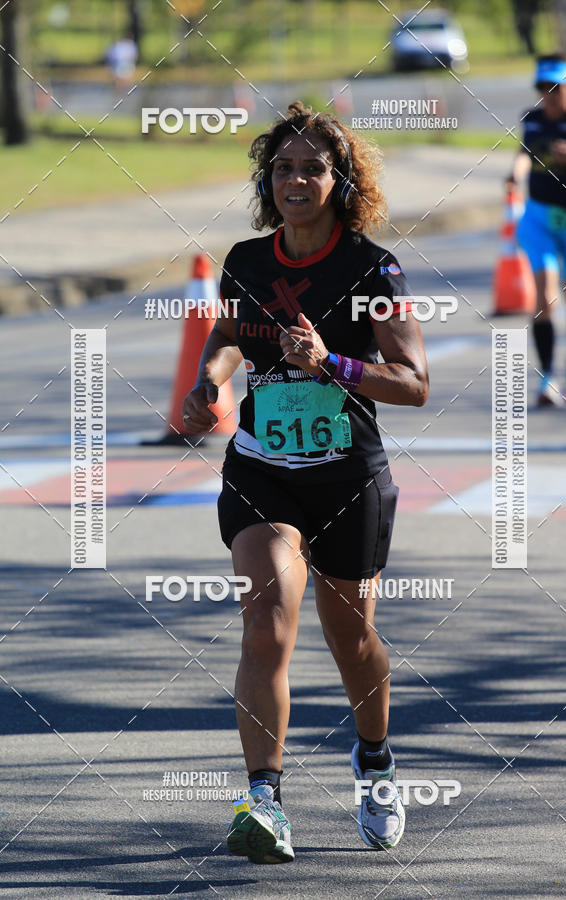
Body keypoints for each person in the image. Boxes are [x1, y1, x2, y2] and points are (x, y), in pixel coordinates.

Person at [182, 101, 429, 863]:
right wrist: (208, 383)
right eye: (283, 168)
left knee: (351, 638)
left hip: (348, 477)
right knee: (267, 621)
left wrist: (336, 364)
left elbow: (415, 383)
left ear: (339, 179)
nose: (295, 180)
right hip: (263, 470)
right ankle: (265, 799)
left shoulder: (371, 268)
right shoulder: (248, 261)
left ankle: (377, 760)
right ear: (268, 180)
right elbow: (228, 338)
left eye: (312, 168)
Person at [507, 54, 566, 407]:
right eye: (543, 88)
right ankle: (547, 379)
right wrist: (515, 173)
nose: (548, 94)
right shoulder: (531, 121)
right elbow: (523, 153)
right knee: (545, 297)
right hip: (539, 219)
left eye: (556, 88)